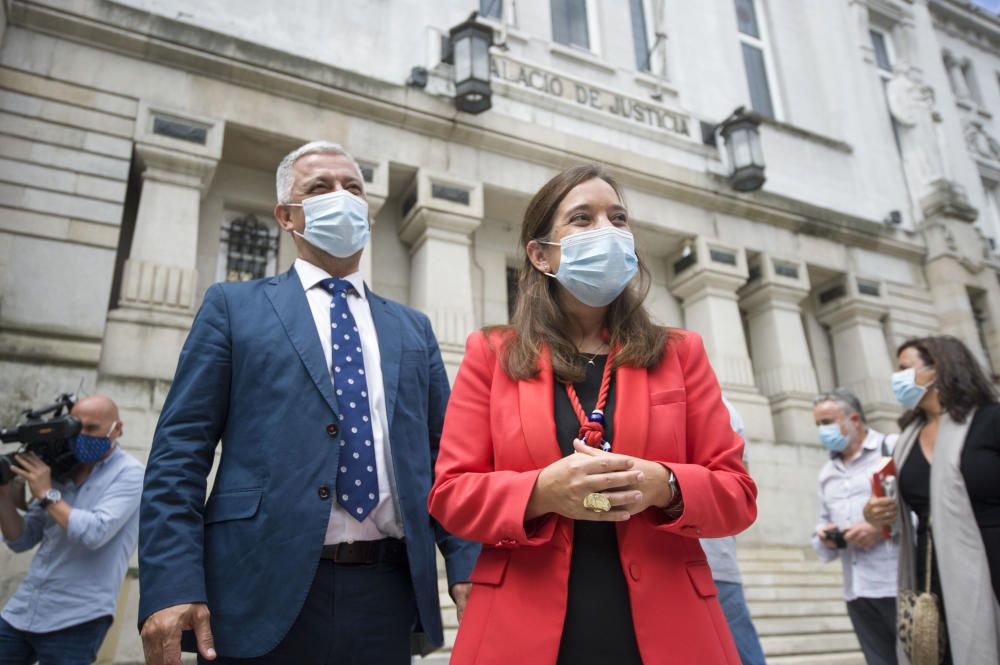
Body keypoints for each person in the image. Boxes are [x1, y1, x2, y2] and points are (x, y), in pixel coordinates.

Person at [137, 141, 479, 665]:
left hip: (385, 597)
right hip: (257, 590)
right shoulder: (233, 308)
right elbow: (178, 455)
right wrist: (170, 584)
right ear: (287, 216)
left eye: (353, 188)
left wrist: (466, 567)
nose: (341, 197)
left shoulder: (414, 330)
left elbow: (447, 461)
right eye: (320, 188)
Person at [428, 164, 758, 665]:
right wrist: (540, 493)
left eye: (618, 217)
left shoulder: (681, 352)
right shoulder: (492, 353)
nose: (607, 230)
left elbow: (737, 494)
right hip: (521, 622)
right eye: (582, 218)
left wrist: (666, 484)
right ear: (541, 254)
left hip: (669, 623)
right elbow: (451, 495)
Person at [864, 336, 1000, 665]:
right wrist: (876, 513)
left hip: (992, 560)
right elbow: (902, 512)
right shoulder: (905, 440)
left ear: (936, 370)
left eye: (904, 369)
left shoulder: (991, 421)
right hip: (933, 572)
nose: (897, 379)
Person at [0, 395, 143, 664]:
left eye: (93, 428)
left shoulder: (131, 474)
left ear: (118, 429)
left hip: (79, 616)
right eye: (78, 428)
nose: (83, 435)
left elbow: (94, 533)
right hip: (26, 608)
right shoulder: (60, 470)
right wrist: (3, 493)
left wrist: (46, 493)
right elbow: (21, 539)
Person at [811, 389, 899, 665]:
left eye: (827, 421)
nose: (823, 431)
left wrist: (879, 527)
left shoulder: (891, 449)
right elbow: (823, 523)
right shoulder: (828, 473)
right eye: (818, 425)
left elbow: (923, 509)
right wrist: (825, 537)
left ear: (855, 419)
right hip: (857, 590)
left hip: (897, 582)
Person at [701, 397, 766, 665]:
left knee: (741, 652)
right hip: (664, 559)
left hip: (716, 562)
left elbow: (739, 489)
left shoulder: (722, 407)